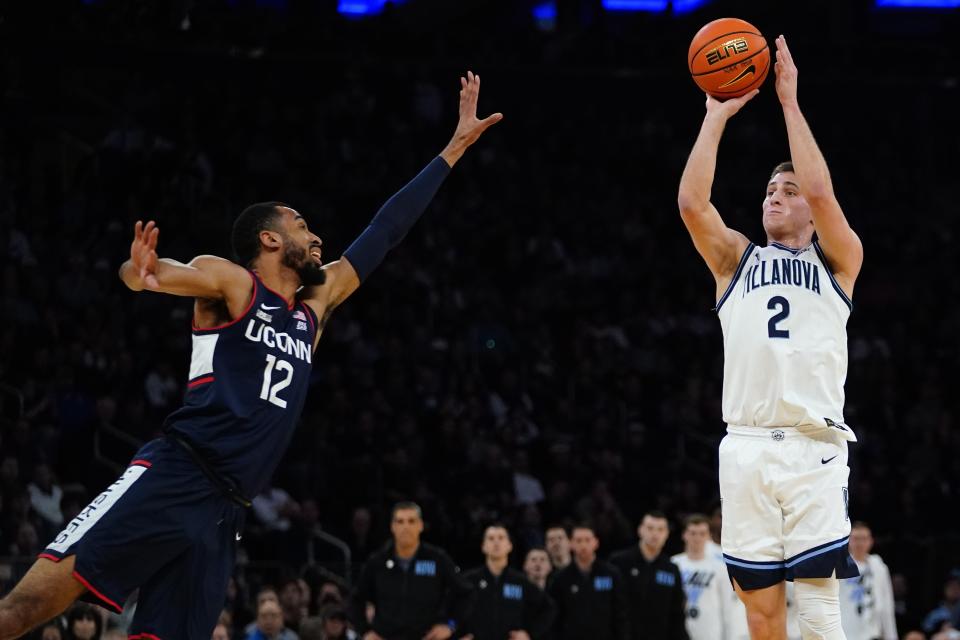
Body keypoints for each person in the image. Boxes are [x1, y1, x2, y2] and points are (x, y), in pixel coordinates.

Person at [0, 72, 501, 640]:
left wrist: (453, 150)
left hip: (225, 511)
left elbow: (384, 231)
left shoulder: (314, 306)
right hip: (175, 474)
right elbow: (160, 274)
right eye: (303, 226)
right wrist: (139, 275)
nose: (317, 239)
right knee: (24, 610)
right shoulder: (233, 283)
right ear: (269, 239)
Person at [677, 35, 863, 639]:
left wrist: (789, 103)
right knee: (760, 614)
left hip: (813, 448)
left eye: (787, 191)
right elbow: (691, 203)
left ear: (809, 212)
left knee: (818, 609)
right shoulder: (735, 260)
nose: (775, 196)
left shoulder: (839, 261)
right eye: (768, 191)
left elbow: (821, 190)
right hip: (747, 446)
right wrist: (714, 117)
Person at [350, 502, 473, 640]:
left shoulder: (437, 559)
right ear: (393, 527)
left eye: (411, 521)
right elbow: (356, 599)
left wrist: (450, 624)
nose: (405, 527)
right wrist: (365, 631)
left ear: (420, 526)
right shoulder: (377, 561)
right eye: (400, 521)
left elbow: (466, 593)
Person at [460, 525, 555, 640]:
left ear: (509, 546)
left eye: (501, 538)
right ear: (483, 546)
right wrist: (457, 634)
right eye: (491, 538)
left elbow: (549, 608)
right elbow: (450, 608)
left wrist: (529, 634)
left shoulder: (519, 581)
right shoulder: (469, 580)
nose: (496, 542)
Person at [609, 511, 687, 640]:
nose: (655, 534)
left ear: (667, 534)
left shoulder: (671, 569)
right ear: (640, 530)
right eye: (650, 528)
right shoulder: (619, 562)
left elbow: (677, 615)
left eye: (660, 530)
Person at [548, 524, 628, 640]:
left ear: (596, 543)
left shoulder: (611, 574)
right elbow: (555, 617)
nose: (583, 545)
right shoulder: (560, 578)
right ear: (571, 544)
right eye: (578, 541)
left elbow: (620, 613)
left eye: (587, 540)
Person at [671, 514, 745, 640]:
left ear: (708, 536)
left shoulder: (720, 568)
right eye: (693, 533)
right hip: (678, 630)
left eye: (702, 533)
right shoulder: (674, 564)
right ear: (684, 535)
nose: (697, 538)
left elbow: (727, 607)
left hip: (710, 633)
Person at [840, 522, 897, 640]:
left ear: (871, 541)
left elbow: (887, 604)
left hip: (871, 633)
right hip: (845, 631)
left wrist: (891, 636)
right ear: (848, 540)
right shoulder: (839, 566)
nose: (860, 543)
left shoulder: (879, 567)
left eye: (864, 539)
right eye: (856, 538)